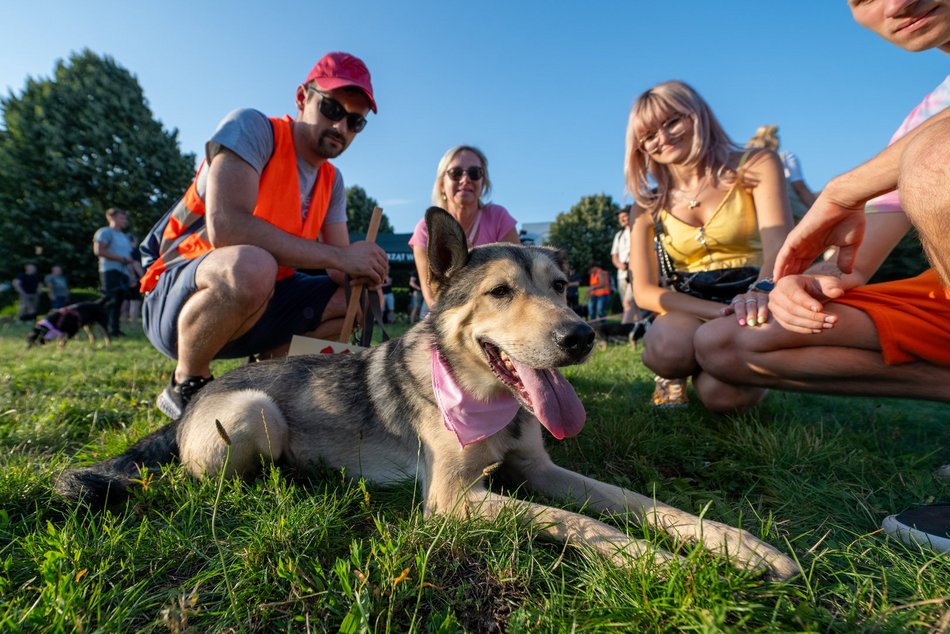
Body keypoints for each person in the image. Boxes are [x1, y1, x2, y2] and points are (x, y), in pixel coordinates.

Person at [693, 1, 950, 553]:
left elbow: (932, 157)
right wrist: (791, 286)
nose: (895, 3)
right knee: (723, 344)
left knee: (936, 159)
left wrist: (842, 189)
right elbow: (854, 260)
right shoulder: (922, 118)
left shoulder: (925, 140)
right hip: (942, 295)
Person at [139, 51, 388, 420]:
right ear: (303, 97)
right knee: (253, 264)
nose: (341, 128)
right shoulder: (253, 128)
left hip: (262, 297)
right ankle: (187, 383)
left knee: (362, 300)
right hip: (177, 292)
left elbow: (340, 268)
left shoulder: (332, 181)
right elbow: (228, 227)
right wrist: (340, 257)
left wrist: (363, 267)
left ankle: (265, 382)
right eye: (332, 109)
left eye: (355, 122)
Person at [623, 80, 793, 408]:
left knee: (723, 400)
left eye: (672, 121)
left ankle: (728, 367)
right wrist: (720, 312)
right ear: (640, 148)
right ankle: (676, 370)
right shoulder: (647, 203)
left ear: (698, 115)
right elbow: (644, 291)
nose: (663, 138)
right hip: (689, 304)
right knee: (667, 349)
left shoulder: (757, 164)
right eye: (649, 135)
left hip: (756, 292)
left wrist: (759, 294)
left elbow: (779, 245)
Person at [409, 145, 519, 313]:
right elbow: (433, 296)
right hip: (445, 311)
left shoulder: (499, 217)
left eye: (474, 173)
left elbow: (519, 277)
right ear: (441, 185)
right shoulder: (425, 229)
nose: (466, 179)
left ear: (483, 182)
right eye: (456, 173)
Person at [747, 125, 819, 220]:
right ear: (776, 140)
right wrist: (816, 209)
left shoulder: (746, 162)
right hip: (790, 213)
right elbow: (800, 187)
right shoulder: (785, 157)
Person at [93, 207, 135, 337]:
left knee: (118, 301)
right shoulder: (105, 232)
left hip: (123, 272)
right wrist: (120, 259)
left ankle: (114, 329)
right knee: (109, 300)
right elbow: (99, 251)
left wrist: (132, 275)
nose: (125, 220)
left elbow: (129, 257)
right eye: (121, 218)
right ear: (111, 217)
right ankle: (102, 327)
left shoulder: (124, 236)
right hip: (110, 270)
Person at [610, 206, 643, 323]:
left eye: (624, 216)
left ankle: (623, 330)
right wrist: (620, 265)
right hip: (622, 275)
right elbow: (614, 256)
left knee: (628, 302)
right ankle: (638, 330)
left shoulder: (639, 231)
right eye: (620, 218)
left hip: (636, 273)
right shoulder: (618, 235)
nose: (622, 219)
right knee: (630, 305)